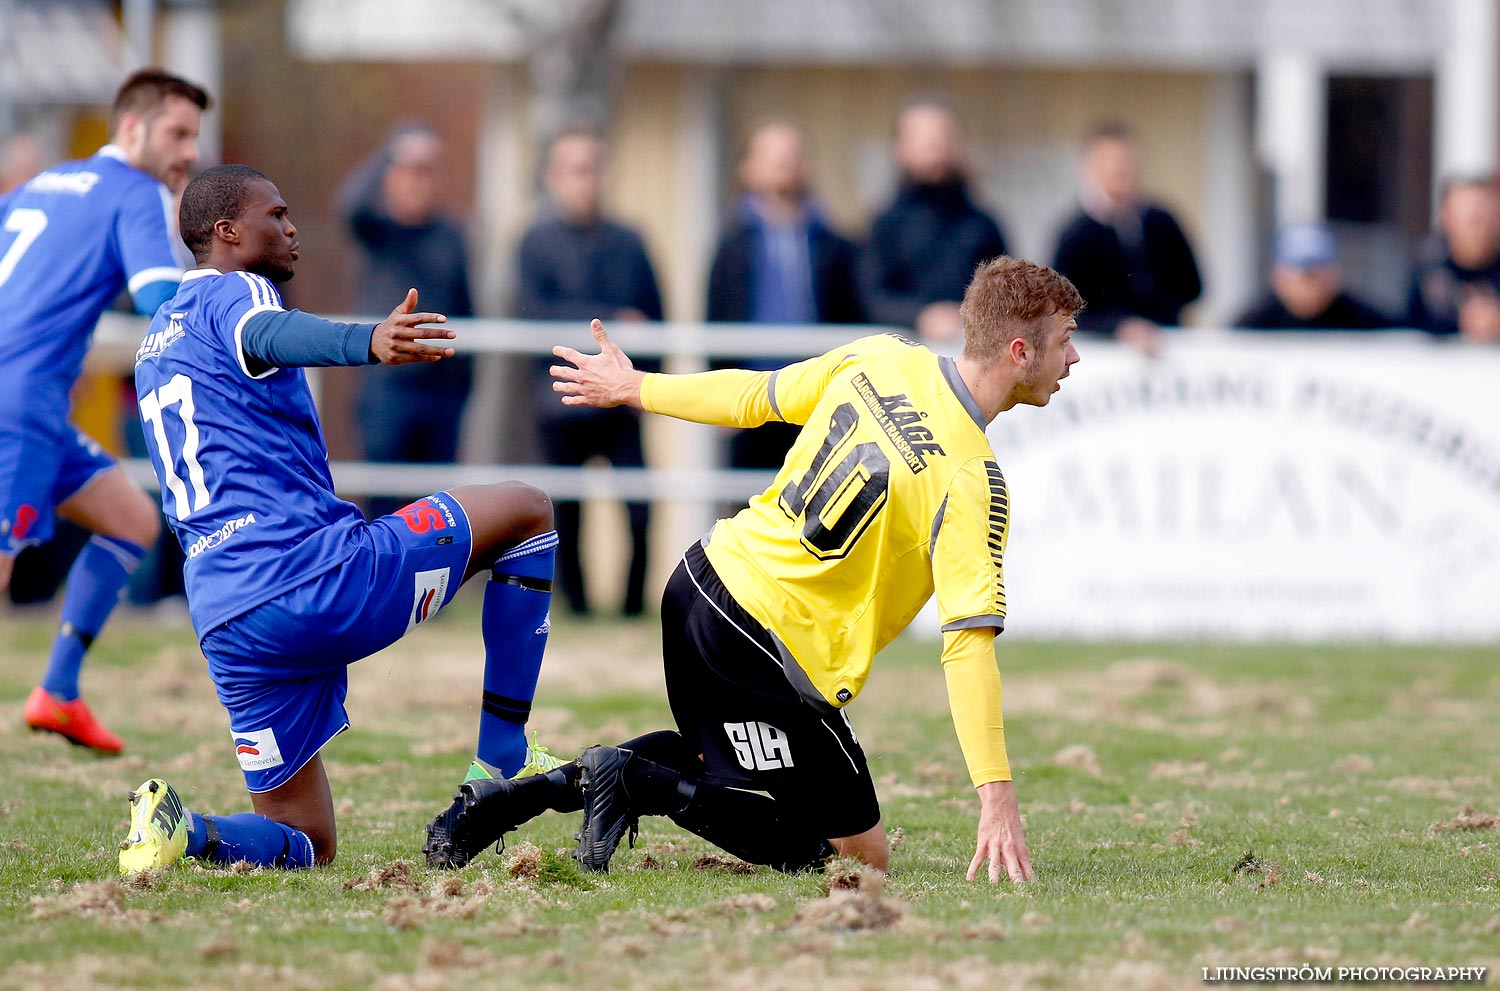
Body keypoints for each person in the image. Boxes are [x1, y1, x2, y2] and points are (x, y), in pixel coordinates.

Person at [438, 256, 1083, 885]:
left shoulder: (885, 356)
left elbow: (754, 395)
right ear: (1020, 351)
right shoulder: (974, 477)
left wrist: (637, 388)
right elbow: (966, 646)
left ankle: (510, 801)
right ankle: (636, 780)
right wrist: (996, 797)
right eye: (1065, 342)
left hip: (700, 581)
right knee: (856, 857)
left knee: (710, 765)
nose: (1074, 360)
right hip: (759, 646)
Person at [117, 165, 566, 874]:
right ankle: (502, 757)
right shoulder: (236, 291)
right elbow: (271, 332)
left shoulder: (156, 337)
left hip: (228, 619)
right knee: (528, 511)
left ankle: (186, 828)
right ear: (227, 232)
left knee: (308, 843)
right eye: (277, 213)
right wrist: (368, 340)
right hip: (309, 577)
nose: (291, 228)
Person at [0, 69, 210, 754]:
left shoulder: (43, 183)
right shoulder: (137, 192)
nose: (188, 151)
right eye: (177, 133)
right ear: (132, 127)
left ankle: (58, 691)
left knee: (130, 518)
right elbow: (160, 301)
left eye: (194, 136)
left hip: (32, 405)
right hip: (18, 401)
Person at [516, 128, 662, 617]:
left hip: (622, 401)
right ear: (554, 177)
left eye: (593, 167)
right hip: (562, 400)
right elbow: (530, 315)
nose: (586, 180)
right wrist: (609, 318)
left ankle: (632, 608)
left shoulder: (630, 241)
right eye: (575, 169)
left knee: (641, 510)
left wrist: (650, 390)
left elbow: (655, 318)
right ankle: (575, 609)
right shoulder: (534, 242)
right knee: (565, 516)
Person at [707, 120, 863, 471]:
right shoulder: (733, 242)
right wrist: (719, 397)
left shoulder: (832, 242)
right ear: (747, 167)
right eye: (772, 156)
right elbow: (716, 313)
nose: (784, 164)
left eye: (792, 155)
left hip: (818, 397)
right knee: (748, 504)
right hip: (750, 396)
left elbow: (849, 312)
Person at [339, 125, 475, 518]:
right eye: (410, 169)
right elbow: (349, 203)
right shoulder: (378, 229)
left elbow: (466, 304)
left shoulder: (451, 233)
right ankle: (383, 581)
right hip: (387, 389)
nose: (419, 180)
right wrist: (391, 149)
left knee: (437, 510)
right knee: (382, 503)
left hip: (442, 390)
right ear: (391, 175)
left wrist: (466, 379)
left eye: (427, 169)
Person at [861, 97, 1008, 343]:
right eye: (923, 137)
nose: (935, 144)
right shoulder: (884, 226)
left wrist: (967, 317)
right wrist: (920, 317)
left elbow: (1007, 293)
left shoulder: (982, 225)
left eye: (944, 135)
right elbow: (871, 298)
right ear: (900, 147)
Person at [1050, 122, 1202, 354]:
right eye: (1109, 161)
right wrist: (1118, 327)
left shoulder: (1161, 221)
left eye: (1125, 161)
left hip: (1165, 347)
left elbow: (1192, 286)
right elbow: (1062, 308)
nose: (1119, 169)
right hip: (1101, 355)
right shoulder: (1075, 234)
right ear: (1090, 167)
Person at [1235, 224, 1394, 331]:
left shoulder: (1365, 319)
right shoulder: (1256, 322)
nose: (1308, 284)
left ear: (1335, 275)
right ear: (1278, 277)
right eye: (1301, 274)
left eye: (1317, 272)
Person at [1407, 176, 1500, 341]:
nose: (1476, 222)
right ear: (1445, 215)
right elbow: (1405, 320)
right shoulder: (1428, 265)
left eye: (1483, 212)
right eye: (1467, 213)